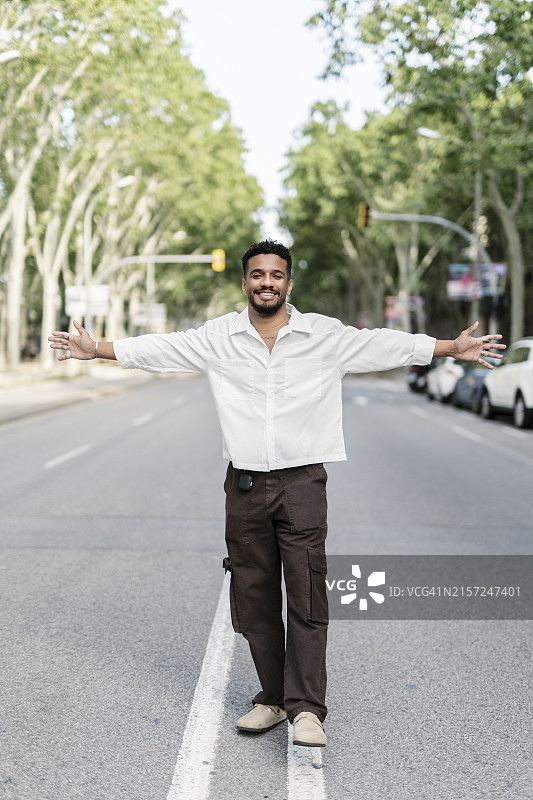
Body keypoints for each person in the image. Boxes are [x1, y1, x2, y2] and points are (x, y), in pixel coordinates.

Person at [48, 238, 505, 747]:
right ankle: (272, 698)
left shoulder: (323, 335)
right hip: (244, 485)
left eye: (277, 275)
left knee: (306, 596)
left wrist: (448, 346)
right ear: (245, 282)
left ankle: (307, 709)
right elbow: (162, 348)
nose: (267, 282)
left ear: (289, 282)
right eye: (258, 275)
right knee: (253, 598)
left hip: (303, 482)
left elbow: (385, 344)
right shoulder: (218, 336)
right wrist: (98, 349)